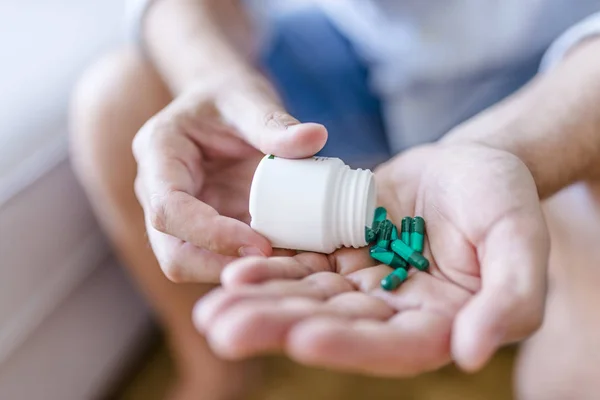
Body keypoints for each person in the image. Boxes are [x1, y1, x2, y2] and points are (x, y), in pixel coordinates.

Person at [70, 1, 600, 399]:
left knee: (570, 377)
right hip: (371, 61)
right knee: (117, 98)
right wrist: (219, 84)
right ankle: (216, 368)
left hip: (563, 80)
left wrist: (511, 148)